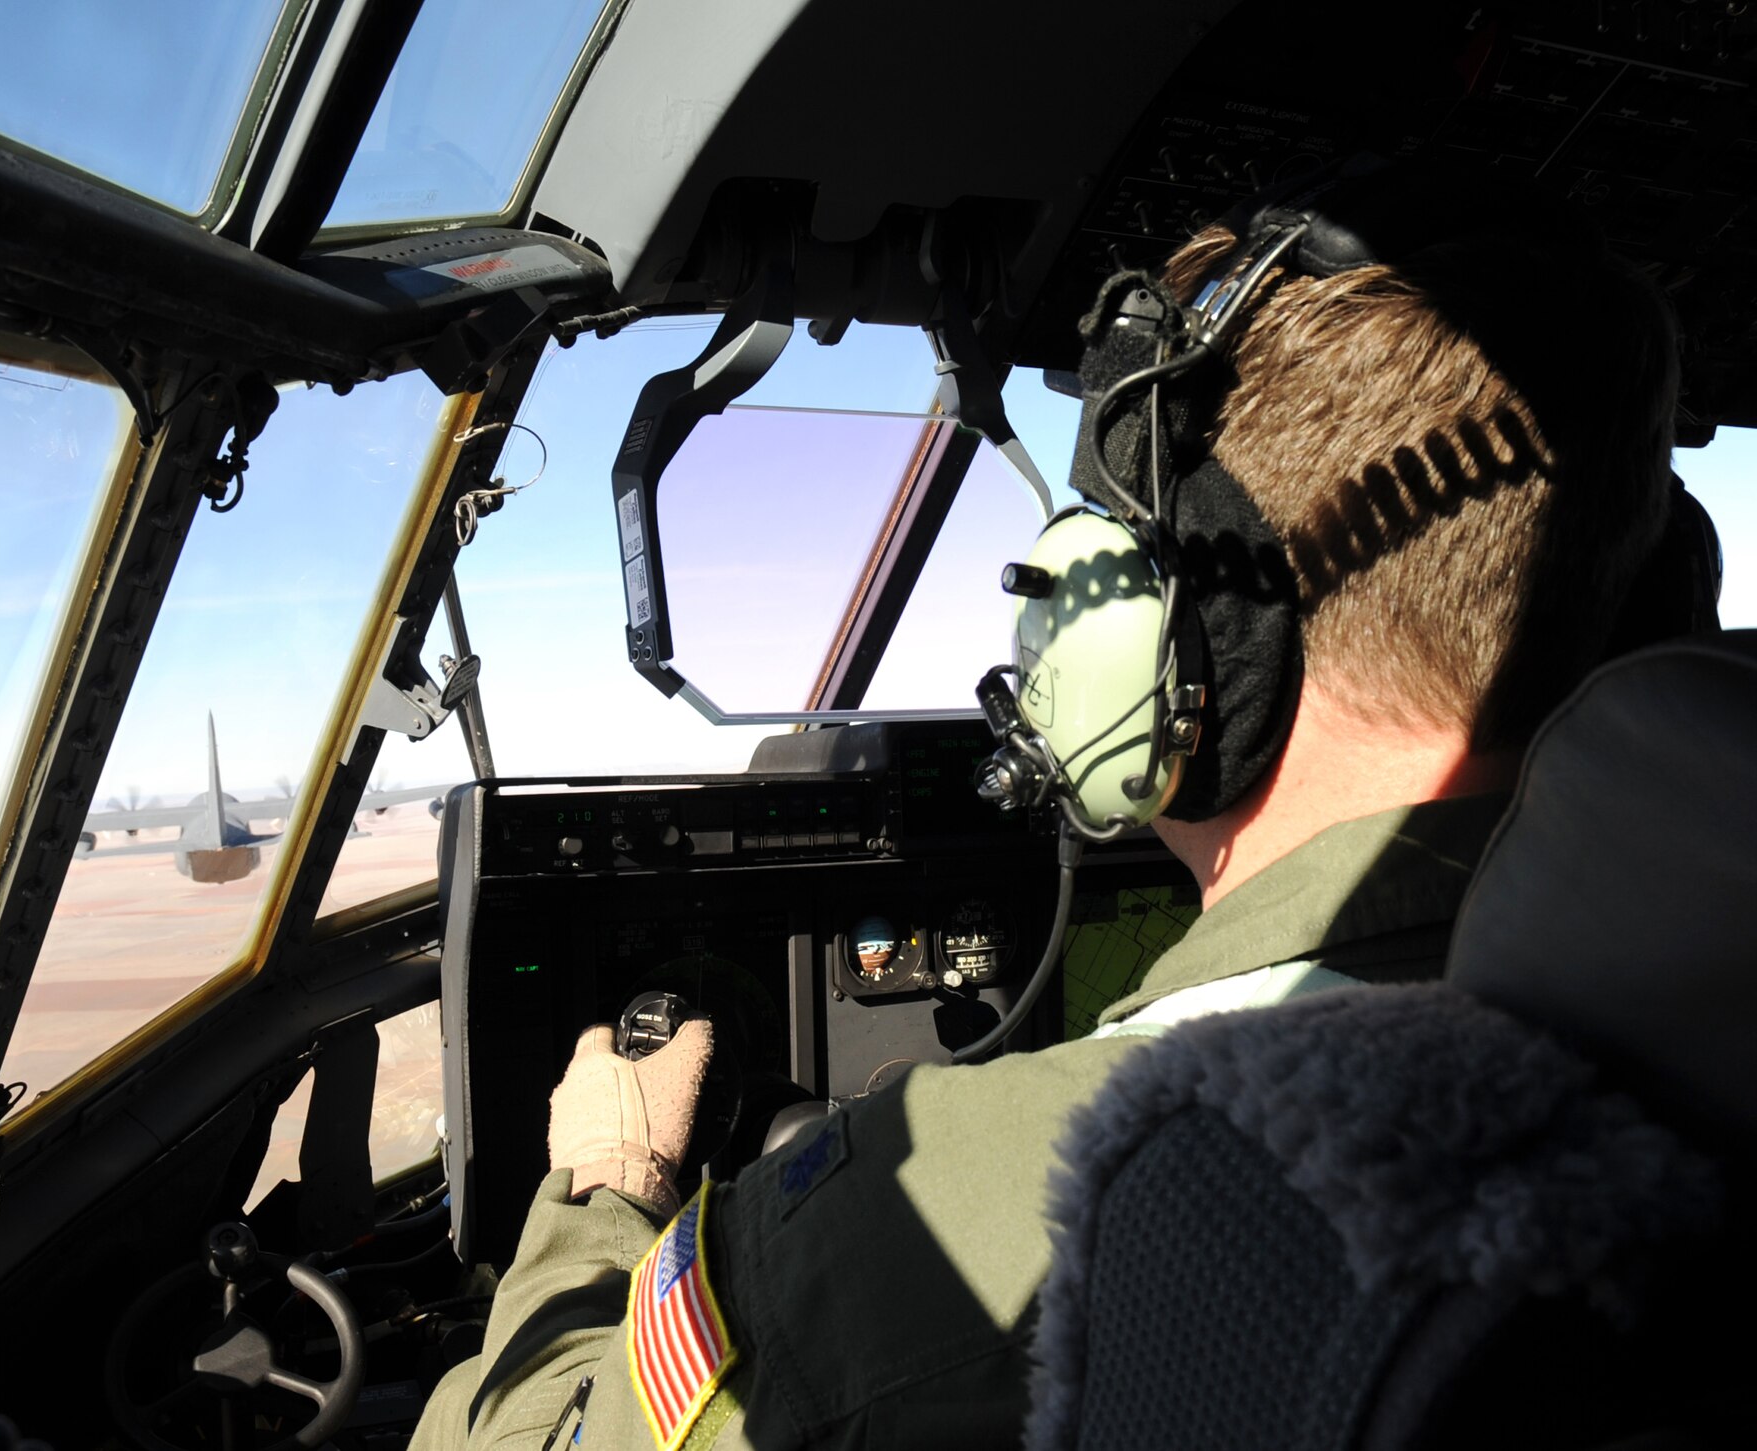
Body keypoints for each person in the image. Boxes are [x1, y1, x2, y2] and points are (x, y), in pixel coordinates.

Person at [410, 170, 1680, 1451]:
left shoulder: (1028, 1195)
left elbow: (519, 1433)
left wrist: (605, 1184)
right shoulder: (1690, 1014)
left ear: (1179, 631)